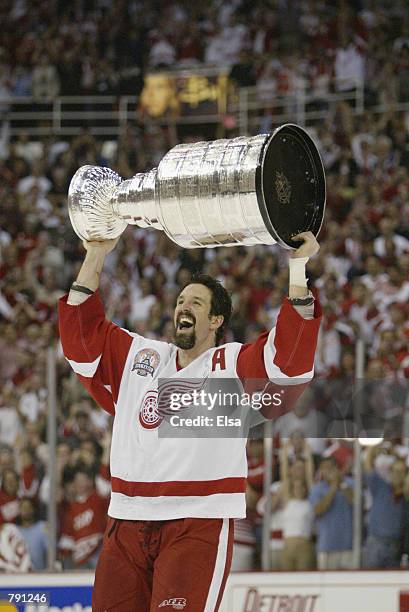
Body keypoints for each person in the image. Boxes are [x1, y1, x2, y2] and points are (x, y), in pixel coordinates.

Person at [58, 231, 321, 611]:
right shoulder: (141, 357)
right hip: (127, 521)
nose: (184, 305)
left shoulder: (230, 365)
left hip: (196, 524)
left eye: (196, 302)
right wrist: (96, 253)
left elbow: (287, 361)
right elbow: (81, 339)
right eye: (181, 300)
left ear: (215, 319)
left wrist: (297, 269)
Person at [362, 444, 408, 568]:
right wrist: (374, 445)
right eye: (395, 471)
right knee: (369, 581)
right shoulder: (381, 486)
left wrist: (397, 454)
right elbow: (367, 465)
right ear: (390, 472)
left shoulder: (406, 495)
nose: (398, 474)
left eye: (401, 471)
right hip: (375, 542)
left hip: (396, 545)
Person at [309, 456, 354, 570]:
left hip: (349, 545)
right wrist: (333, 487)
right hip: (326, 546)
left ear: (337, 468)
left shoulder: (350, 483)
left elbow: (356, 502)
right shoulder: (317, 489)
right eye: (324, 468)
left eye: (331, 467)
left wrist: (341, 484)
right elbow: (318, 510)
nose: (328, 471)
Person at [17, 497, 48, 570]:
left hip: (39, 575)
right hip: (18, 575)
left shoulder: (42, 527)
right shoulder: (14, 530)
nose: (26, 510)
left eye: (29, 507)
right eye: (23, 507)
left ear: (33, 509)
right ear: (19, 511)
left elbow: (50, 552)